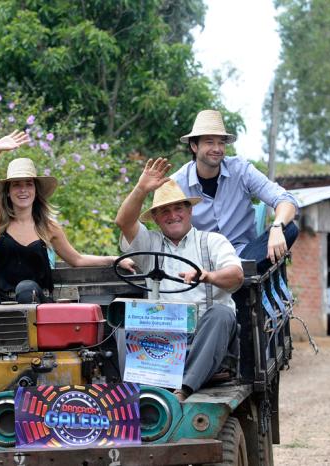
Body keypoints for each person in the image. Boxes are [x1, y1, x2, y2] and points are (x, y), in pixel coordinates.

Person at [0, 130, 134, 311]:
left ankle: (27, 338)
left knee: (25, 288)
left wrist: (115, 259)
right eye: (17, 185)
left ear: (36, 190)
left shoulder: (48, 227)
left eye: (28, 184)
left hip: (33, 301)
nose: (23, 190)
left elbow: (77, 260)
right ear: (9, 192)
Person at [115, 158, 244, 402]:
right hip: (161, 341)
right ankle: (134, 391)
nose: (173, 215)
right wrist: (141, 188)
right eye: (165, 211)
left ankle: (183, 388)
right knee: (121, 318)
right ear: (155, 217)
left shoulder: (212, 242)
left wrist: (207, 276)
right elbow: (123, 221)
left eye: (178, 209)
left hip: (206, 340)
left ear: (190, 210)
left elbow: (236, 276)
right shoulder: (149, 243)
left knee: (221, 314)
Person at [171, 109, 300, 272]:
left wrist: (277, 227)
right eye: (210, 142)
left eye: (221, 143)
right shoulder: (177, 182)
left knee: (289, 229)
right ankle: (230, 275)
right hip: (201, 262)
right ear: (194, 146)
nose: (217, 148)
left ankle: (236, 273)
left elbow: (286, 200)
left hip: (243, 255)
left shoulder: (241, 170)